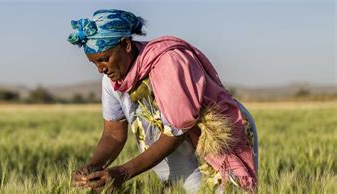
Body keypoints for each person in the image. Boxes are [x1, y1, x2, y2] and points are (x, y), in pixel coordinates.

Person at [67, 9, 258, 193]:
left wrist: (123, 172)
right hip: (168, 147)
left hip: (210, 140)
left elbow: (176, 132)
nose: (101, 69)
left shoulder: (167, 63)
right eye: (94, 63)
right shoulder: (112, 80)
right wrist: (93, 166)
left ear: (126, 45)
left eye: (104, 59)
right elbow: (113, 133)